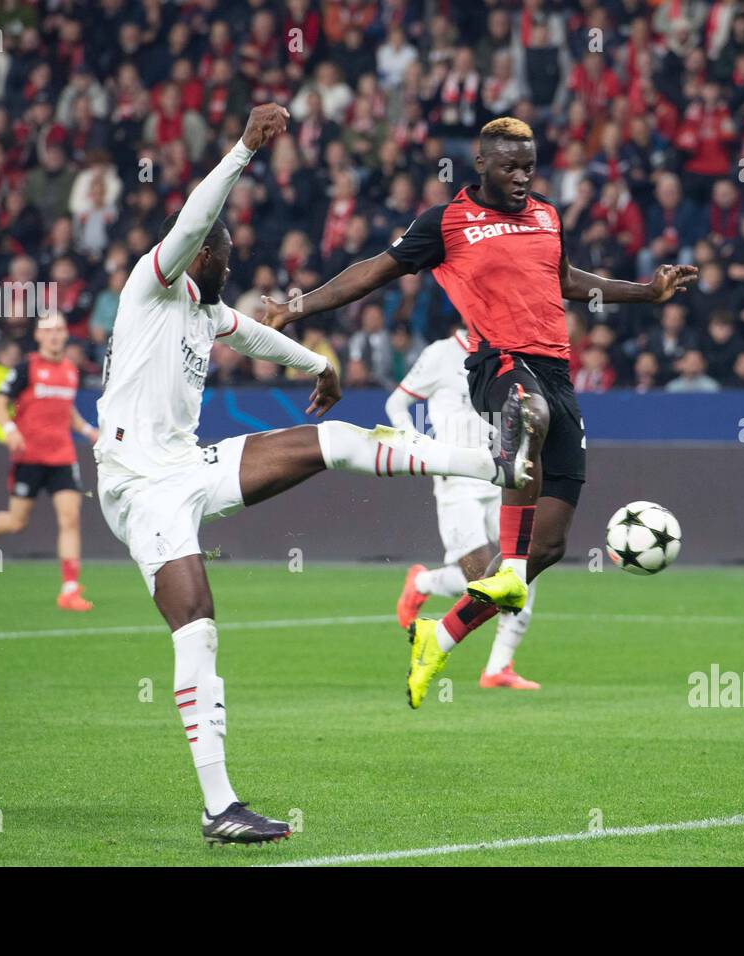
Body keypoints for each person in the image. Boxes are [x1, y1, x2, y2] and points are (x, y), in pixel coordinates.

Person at [91, 105, 531, 846]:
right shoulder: (153, 283)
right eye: (219, 246)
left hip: (187, 466)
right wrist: (241, 150)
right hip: (136, 482)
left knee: (330, 441)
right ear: (198, 253)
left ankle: (495, 460)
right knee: (196, 625)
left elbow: (256, 335)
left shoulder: (204, 309)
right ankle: (219, 805)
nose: (224, 252)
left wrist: (318, 364)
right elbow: (199, 218)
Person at [263, 116, 697, 709]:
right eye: (511, 167)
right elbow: (374, 270)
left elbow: (565, 279)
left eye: (530, 166)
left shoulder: (546, 214)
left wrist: (645, 292)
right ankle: (507, 568)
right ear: (483, 166)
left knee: (549, 545)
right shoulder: (445, 223)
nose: (523, 177)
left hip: (557, 372)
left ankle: (438, 635)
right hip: (496, 364)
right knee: (527, 414)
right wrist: (297, 308)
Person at [387, 326, 540, 691]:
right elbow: (397, 402)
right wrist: (414, 443)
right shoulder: (440, 353)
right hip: (456, 478)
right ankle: (424, 581)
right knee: (479, 579)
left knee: (523, 568)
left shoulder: (512, 349)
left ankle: (498, 668)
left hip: (501, 475)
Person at [0, 313, 100, 612]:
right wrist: (10, 429)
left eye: (59, 329)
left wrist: (87, 430)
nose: (55, 335)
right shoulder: (25, 369)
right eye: (48, 330)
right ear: (39, 336)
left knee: (70, 518)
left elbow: (65, 410)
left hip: (62, 456)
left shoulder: (70, 370)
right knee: (17, 522)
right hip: (29, 456)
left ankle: (69, 589)